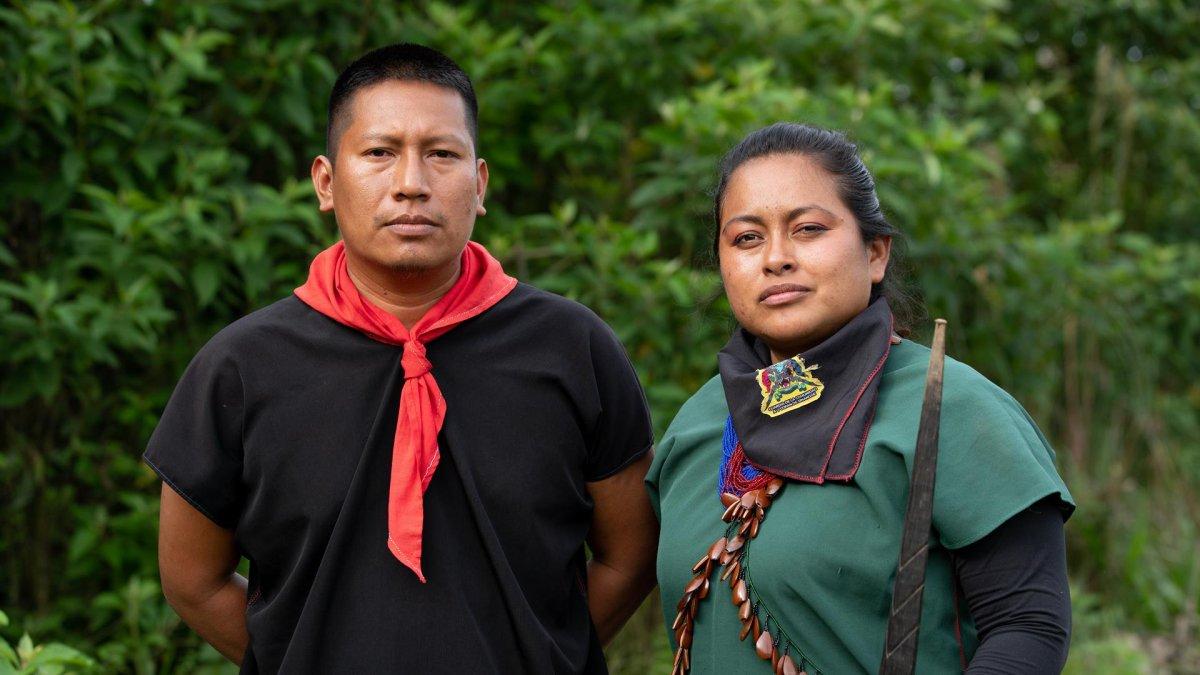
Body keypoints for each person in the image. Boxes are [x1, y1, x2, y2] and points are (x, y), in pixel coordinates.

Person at [146, 43, 658, 674]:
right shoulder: (243, 367)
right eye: (380, 153)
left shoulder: (572, 348)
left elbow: (629, 558)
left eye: (442, 154)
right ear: (326, 183)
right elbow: (192, 580)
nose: (411, 184)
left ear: (480, 182)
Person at [646, 123, 1073, 674]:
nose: (775, 257)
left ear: (875, 253)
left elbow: (1029, 626)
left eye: (808, 229)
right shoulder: (699, 420)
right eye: (747, 238)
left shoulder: (951, 410)